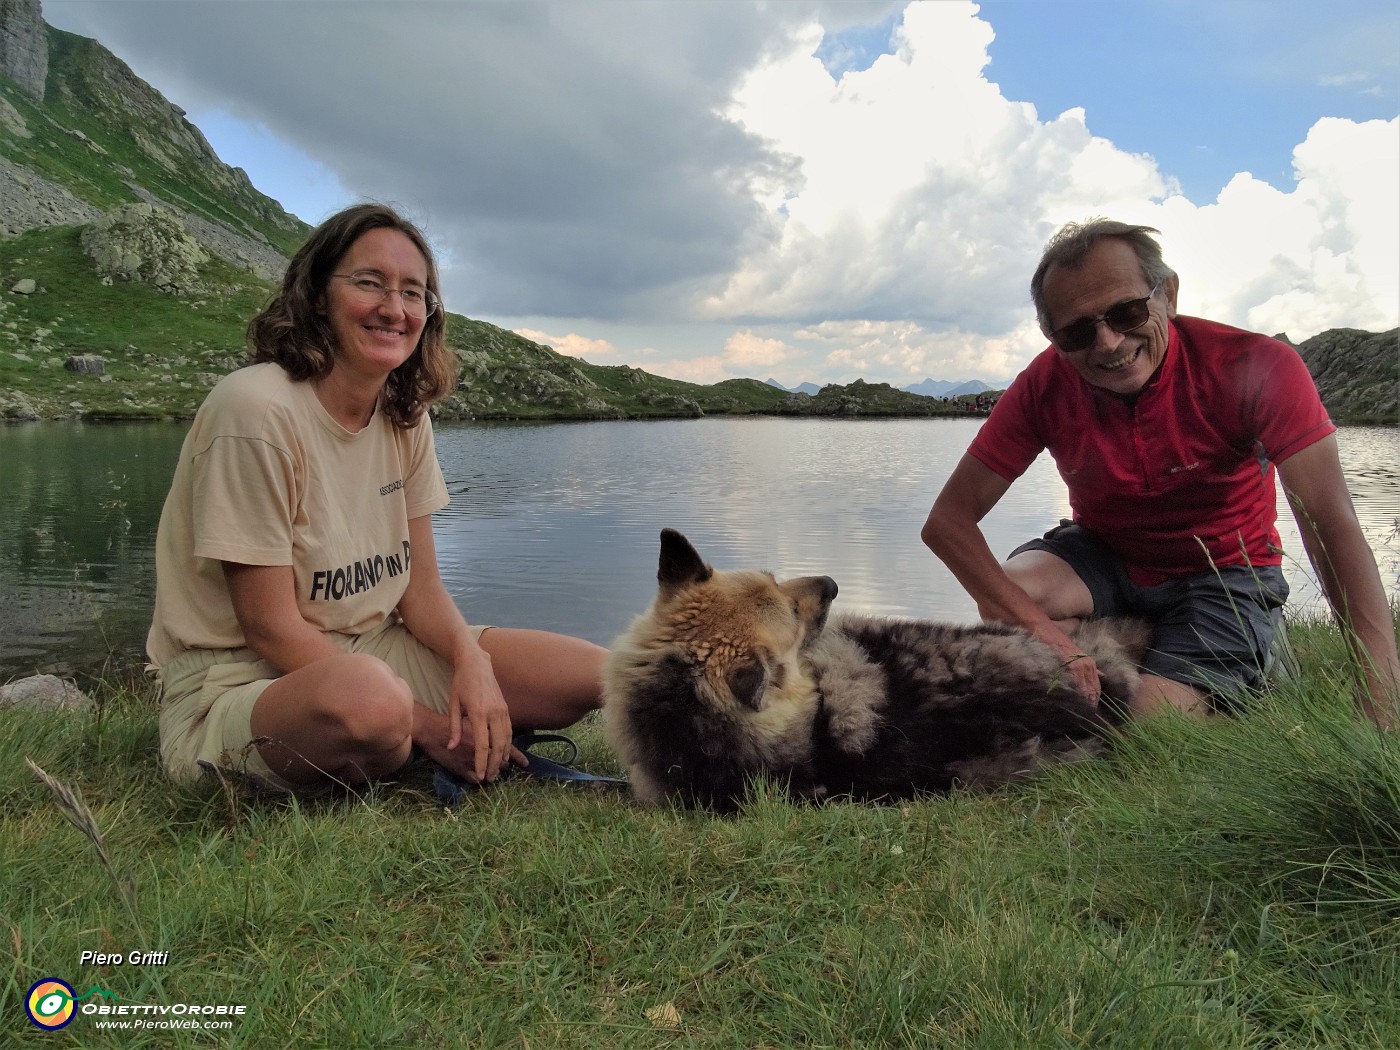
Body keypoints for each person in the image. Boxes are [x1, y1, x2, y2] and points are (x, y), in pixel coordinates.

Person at [149, 202, 606, 793]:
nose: (394, 308)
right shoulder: (255, 410)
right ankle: (392, 739)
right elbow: (269, 628)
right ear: (318, 295)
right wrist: (436, 729)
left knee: (597, 675)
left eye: (413, 292)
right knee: (372, 703)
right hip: (235, 680)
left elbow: (420, 589)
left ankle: (392, 735)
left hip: (378, 648)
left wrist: (475, 666)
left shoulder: (404, 414)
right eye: (370, 283)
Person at [922, 218, 1398, 729]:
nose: (1107, 343)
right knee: (1011, 596)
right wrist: (1046, 634)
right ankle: (1164, 650)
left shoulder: (1257, 365)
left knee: (1150, 728)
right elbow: (947, 524)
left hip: (1223, 570)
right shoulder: (1043, 384)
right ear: (1051, 335)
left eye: (1127, 312)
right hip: (1105, 554)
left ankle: (1259, 656)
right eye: (1077, 331)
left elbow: (1330, 524)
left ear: (1166, 294)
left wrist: (1381, 693)